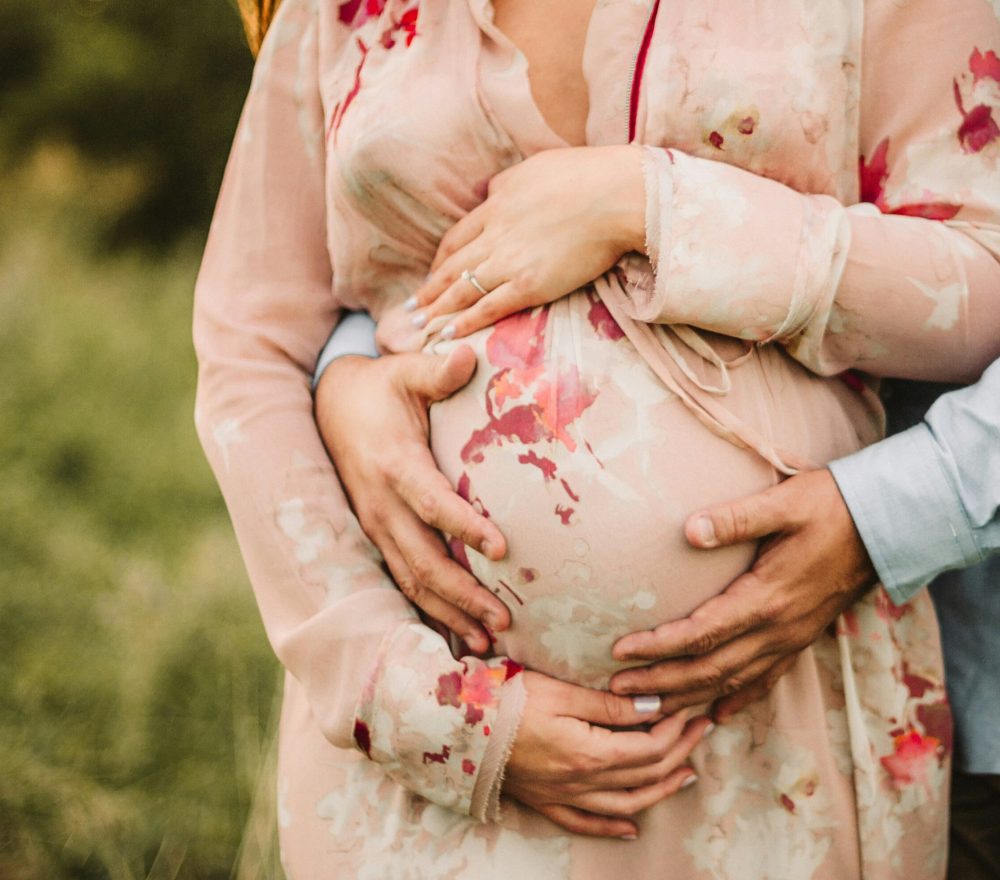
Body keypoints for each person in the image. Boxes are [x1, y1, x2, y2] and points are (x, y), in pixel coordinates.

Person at [193, 0, 1000, 877]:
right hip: (422, 768)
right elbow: (250, 345)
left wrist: (655, 207)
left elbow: (982, 279)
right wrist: (389, 683)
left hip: (774, 735)